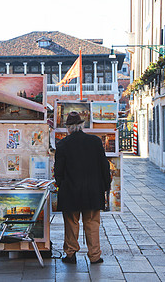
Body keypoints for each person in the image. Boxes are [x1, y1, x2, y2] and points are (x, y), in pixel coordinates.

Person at [54, 111, 111, 264]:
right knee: (92, 223)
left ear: (68, 128)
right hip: (93, 190)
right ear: (81, 125)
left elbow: (58, 170)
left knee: (71, 223)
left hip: (71, 190)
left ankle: (71, 254)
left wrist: (60, 183)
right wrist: (106, 185)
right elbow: (104, 166)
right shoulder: (95, 141)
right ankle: (94, 256)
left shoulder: (63, 144)